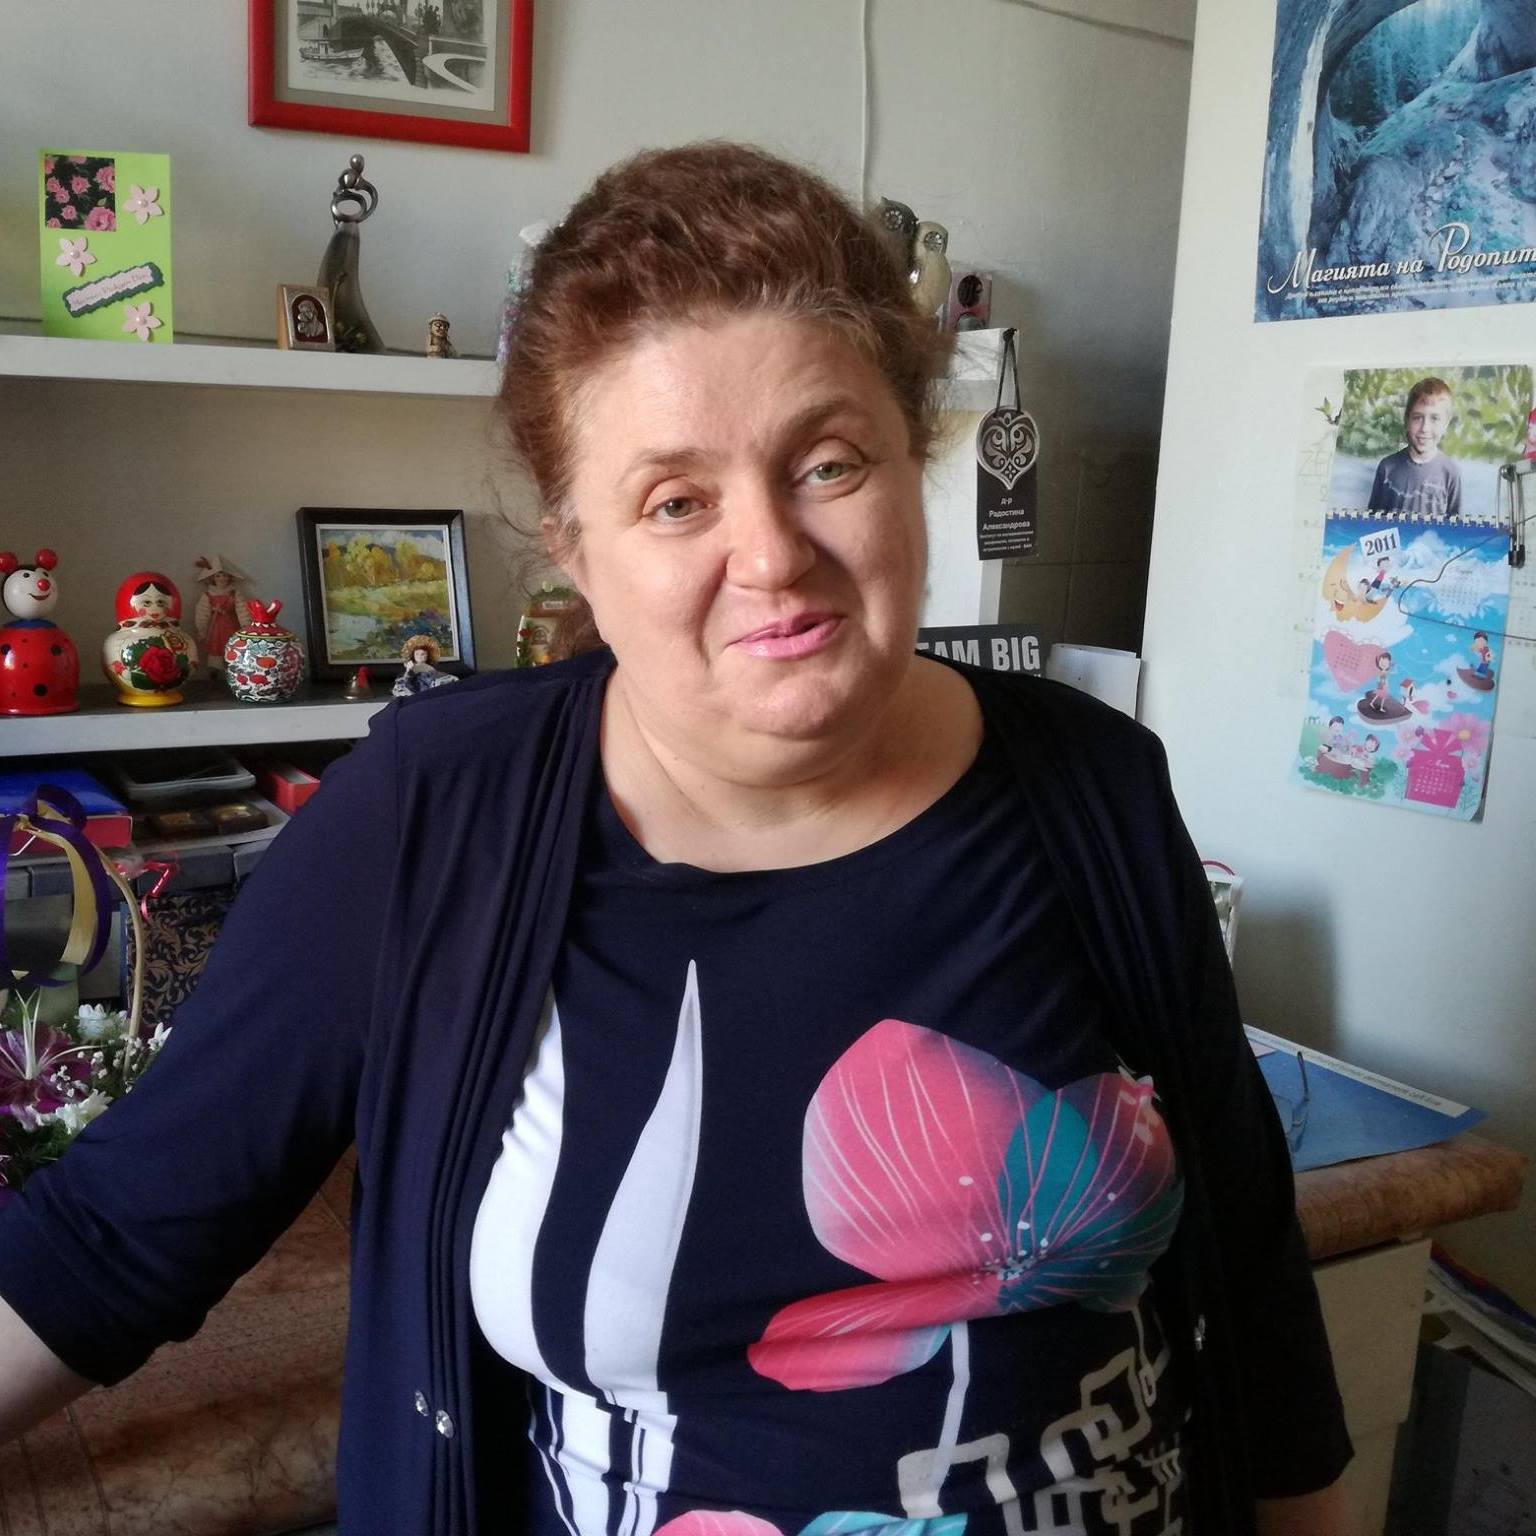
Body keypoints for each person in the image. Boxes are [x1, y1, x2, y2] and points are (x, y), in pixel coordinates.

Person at [0, 145, 1352, 1536]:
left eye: (827, 463)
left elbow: (1248, 1265)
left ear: (914, 462)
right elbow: (114, 1237)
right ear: (575, 549)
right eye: (676, 500)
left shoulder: (1094, 783)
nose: (771, 554)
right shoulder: (435, 813)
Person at [1367, 376, 1463, 518]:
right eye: (1417, 418)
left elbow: (1456, 527)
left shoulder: (1451, 473)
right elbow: (1371, 522)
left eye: (1435, 418)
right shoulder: (1386, 468)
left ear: (1446, 424)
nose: (1425, 428)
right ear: (1407, 420)